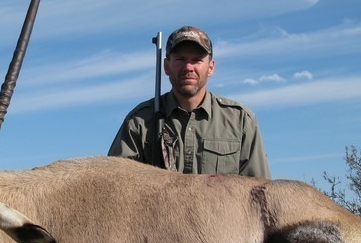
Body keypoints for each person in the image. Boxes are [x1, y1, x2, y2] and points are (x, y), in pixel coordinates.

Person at [108, 26, 271, 178]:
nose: (188, 67)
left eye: (197, 60)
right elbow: (114, 186)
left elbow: (260, 192)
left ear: (211, 67)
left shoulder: (241, 121)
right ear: (166, 66)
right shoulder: (138, 122)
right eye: (180, 59)